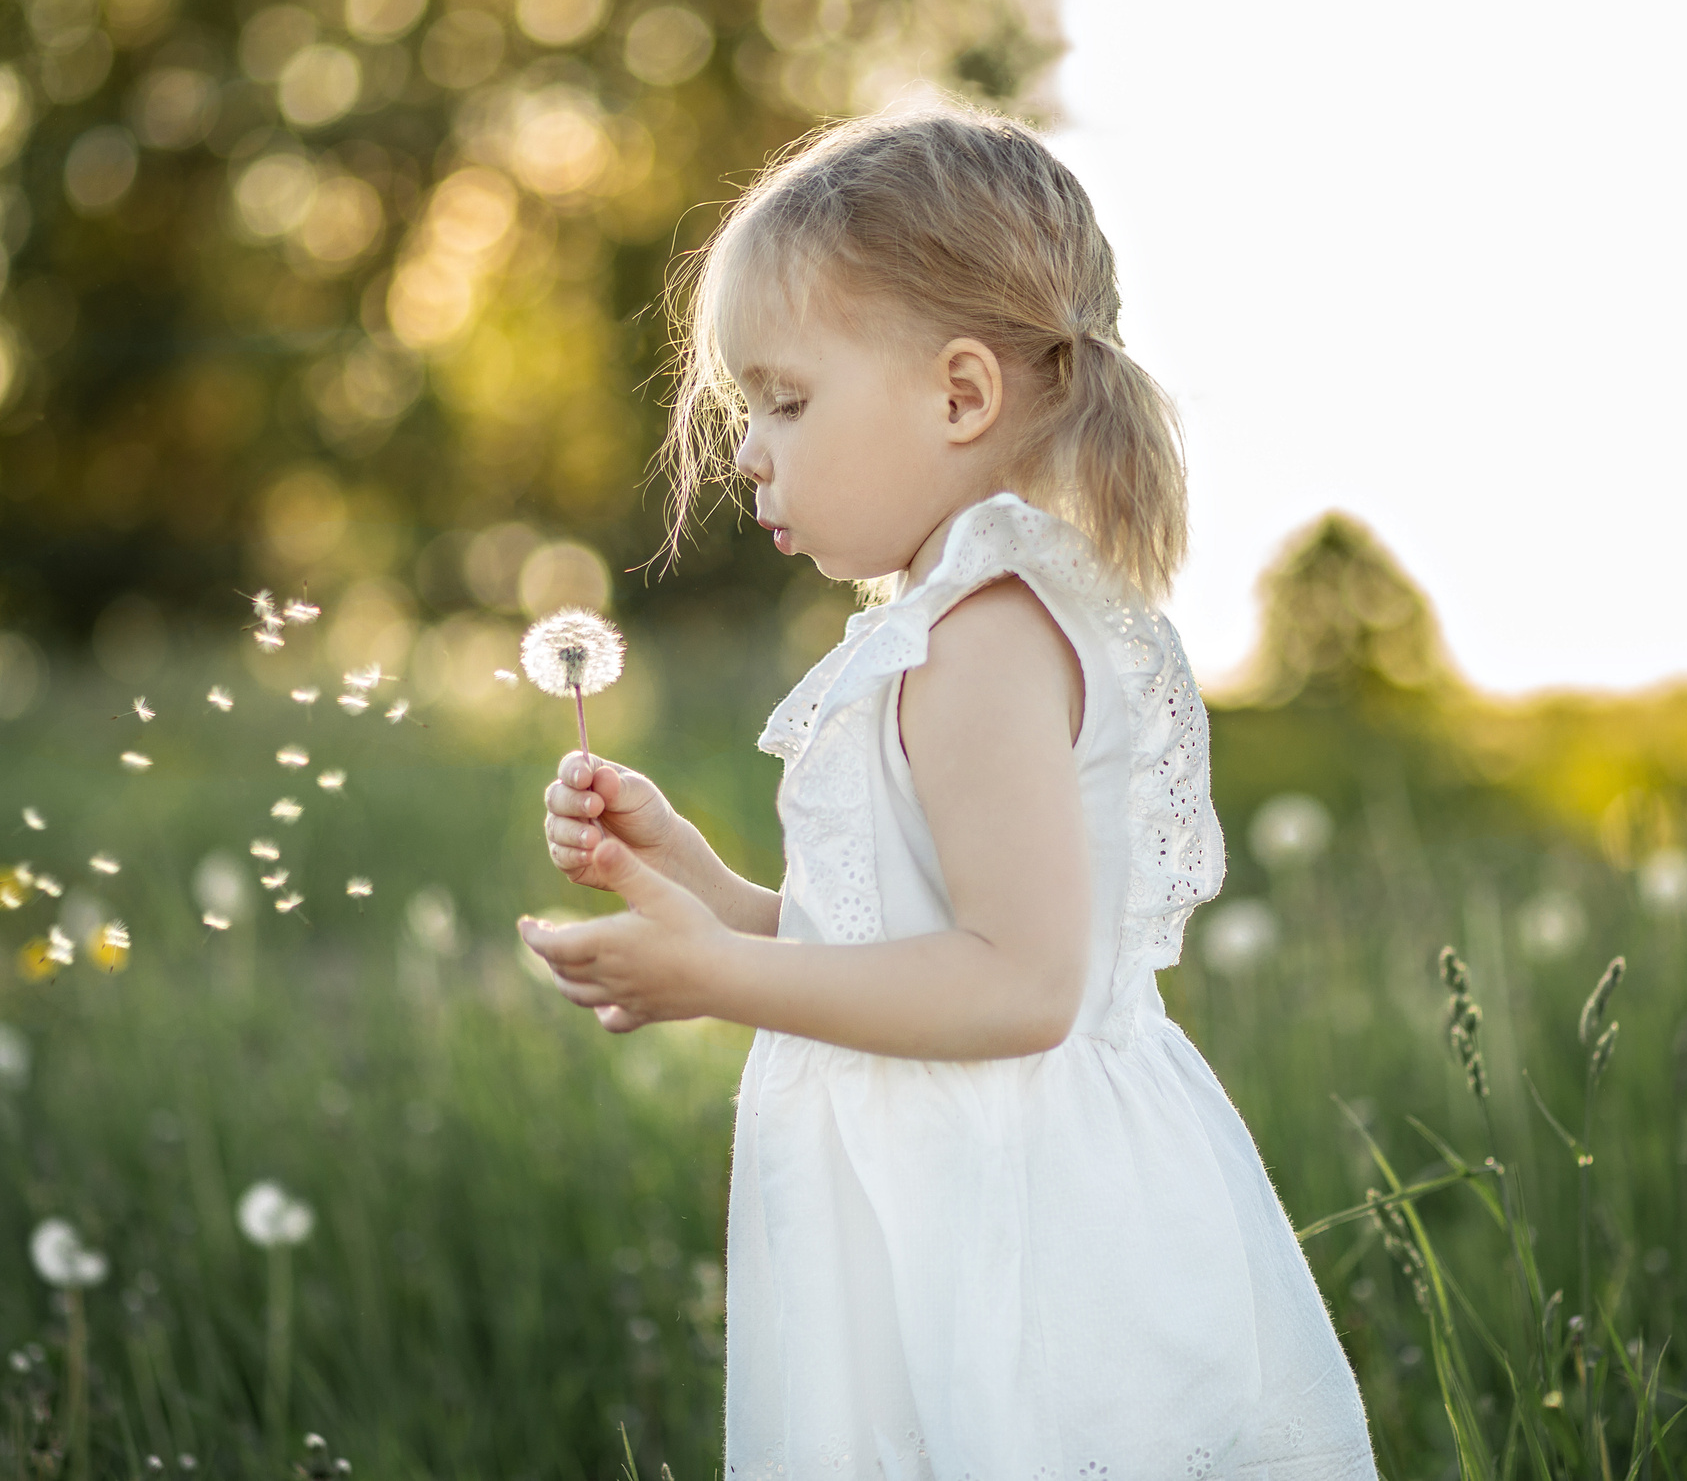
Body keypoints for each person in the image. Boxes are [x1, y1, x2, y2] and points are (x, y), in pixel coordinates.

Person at [517, 101, 1377, 1480]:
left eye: (786, 402)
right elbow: (886, 953)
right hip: (941, 1205)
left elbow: (1016, 987)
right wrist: (699, 889)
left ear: (962, 395)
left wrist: (714, 981)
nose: (749, 453)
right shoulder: (944, 625)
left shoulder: (984, 639)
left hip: (1025, 1237)